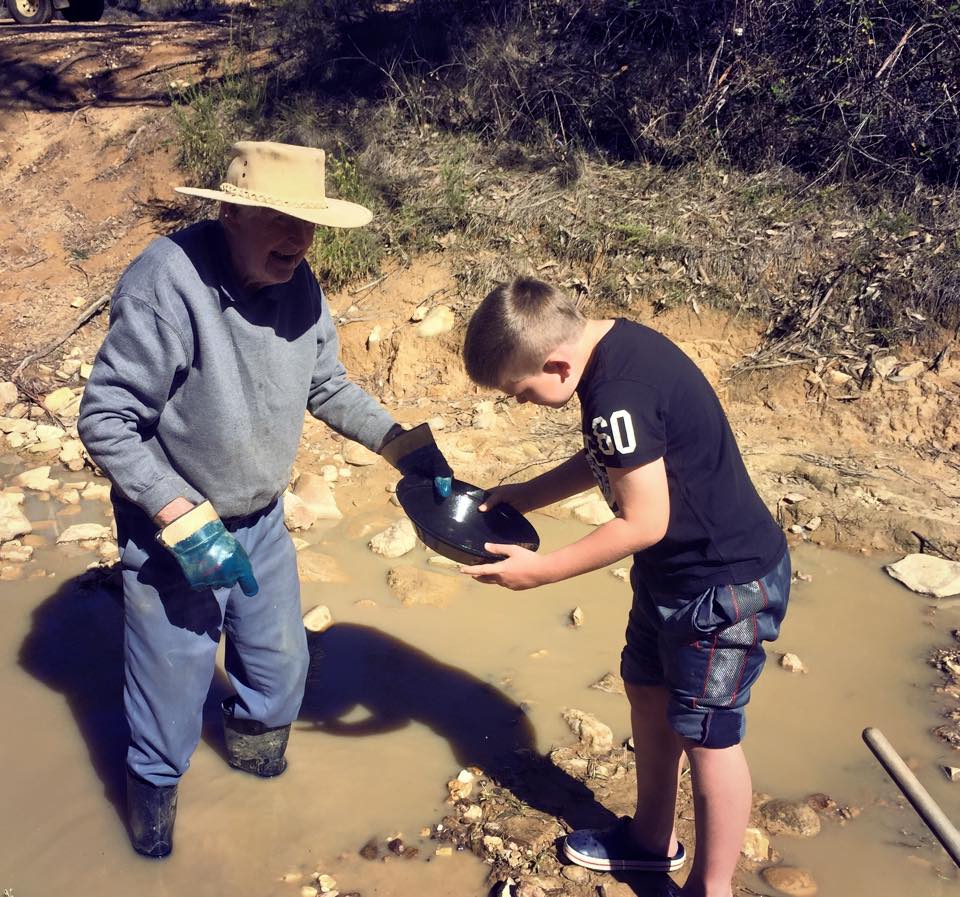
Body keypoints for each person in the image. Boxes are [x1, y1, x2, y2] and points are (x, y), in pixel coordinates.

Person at [77, 141, 452, 859]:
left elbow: (327, 384)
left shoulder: (299, 284)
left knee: (280, 673)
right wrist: (173, 510)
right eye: (281, 221)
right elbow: (105, 416)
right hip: (175, 534)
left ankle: (263, 799)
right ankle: (151, 850)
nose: (299, 241)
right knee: (169, 702)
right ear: (230, 212)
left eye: (309, 225)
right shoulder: (169, 280)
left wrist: (401, 444)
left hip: (262, 520)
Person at [460, 278, 789, 897]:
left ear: (555, 364)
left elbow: (644, 521)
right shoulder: (610, 348)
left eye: (518, 392)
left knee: (708, 736)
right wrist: (527, 494)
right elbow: (608, 459)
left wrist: (541, 570)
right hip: (672, 573)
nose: (521, 403)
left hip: (725, 584)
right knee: (646, 688)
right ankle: (650, 842)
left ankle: (708, 889)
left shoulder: (616, 393)